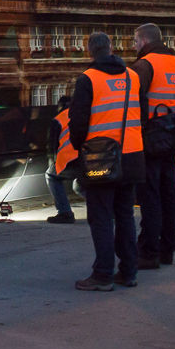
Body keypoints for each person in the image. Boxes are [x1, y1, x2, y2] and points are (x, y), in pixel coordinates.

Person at [68, 32, 147, 291]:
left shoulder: (87, 79)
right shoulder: (132, 77)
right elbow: (143, 116)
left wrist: (82, 148)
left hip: (100, 158)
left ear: (89, 51)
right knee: (125, 214)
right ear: (111, 49)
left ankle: (103, 274)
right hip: (133, 157)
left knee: (101, 216)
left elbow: (78, 123)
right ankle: (129, 272)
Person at [130, 22, 175, 268]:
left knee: (150, 196)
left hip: (150, 138)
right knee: (169, 193)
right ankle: (168, 249)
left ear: (144, 41)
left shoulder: (144, 65)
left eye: (135, 41)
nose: (134, 46)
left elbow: (133, 102)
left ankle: (148, 252)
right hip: (173, 136)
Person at [45, 96, 76, 223]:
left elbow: (51, 145)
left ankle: (64, 212)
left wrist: (52, 162)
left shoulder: (58, 119)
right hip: (89, 159)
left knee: (50, 175)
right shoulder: (85, 114)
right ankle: (107, 210)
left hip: (70, 160)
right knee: (80, 186)